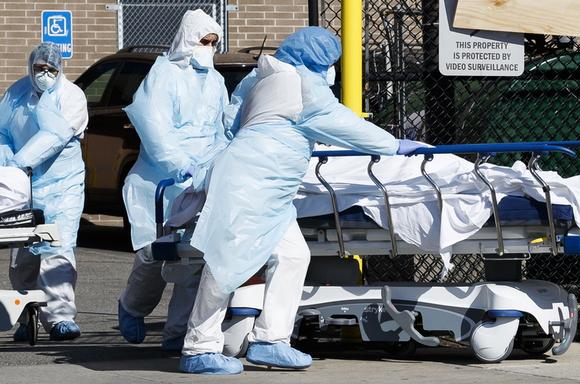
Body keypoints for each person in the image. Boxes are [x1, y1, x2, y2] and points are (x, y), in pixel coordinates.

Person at [179, 27, 431, 374]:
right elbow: (342, 124)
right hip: (251, 182)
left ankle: (271, 341)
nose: (332, 70)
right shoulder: (302, 87)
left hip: (270, 186)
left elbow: (232, 120)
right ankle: (199, 348)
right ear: (318, 60)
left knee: (293, 255)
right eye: (330, 62)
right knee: (226, 265)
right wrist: (394, 145)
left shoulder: (262, 77)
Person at [117, 9, 231, 351]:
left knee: (195, 259)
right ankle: (132, 306)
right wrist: (178, 163)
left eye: (213, 42)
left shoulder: (215, 81)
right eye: (203, 41)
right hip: (162, 181)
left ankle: (177, 332)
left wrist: (220, 164)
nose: (208, 48)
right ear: (187, 40)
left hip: (200, 180)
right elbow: (153, 126)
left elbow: (221, 129)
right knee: (154, 254)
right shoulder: (163, 74)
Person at [0, 42, 88, 341]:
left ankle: (60, 318)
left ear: (60, 69)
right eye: (39, 69)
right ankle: (26, 315)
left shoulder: (71, 97)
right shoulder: (16, 94)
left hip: (61, 185)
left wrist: (19, 162)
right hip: (23, 186)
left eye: (51, 69)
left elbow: (54, 136)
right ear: (30, 68)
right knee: (23, 256)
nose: (44, 74)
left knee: (59, 249)